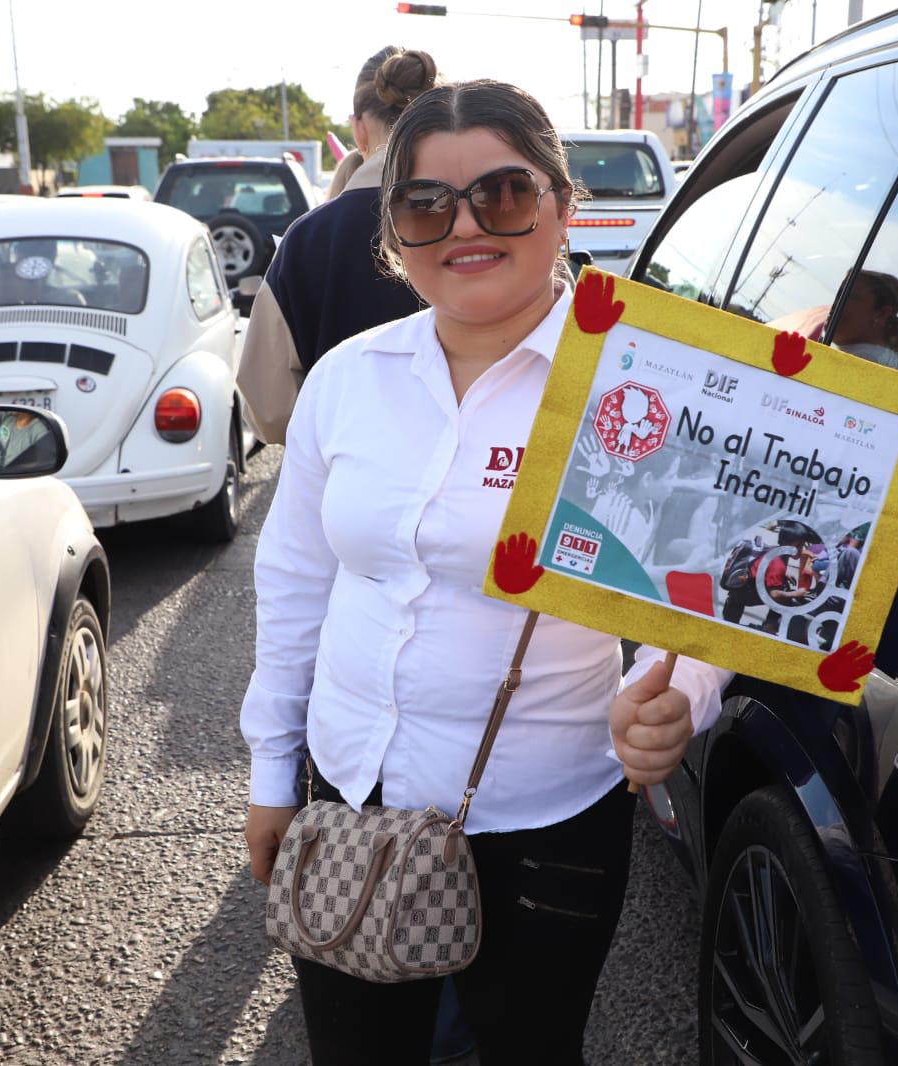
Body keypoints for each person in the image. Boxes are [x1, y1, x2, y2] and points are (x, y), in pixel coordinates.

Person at [239, 79, 731, 1065]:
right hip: (349, 791)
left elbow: (693, 596)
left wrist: (673, 695)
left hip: (544, 817)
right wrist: (270, 771)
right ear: (394, 234)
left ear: (561, 205)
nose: (465, 225)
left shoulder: (637, 383)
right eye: (427, 204)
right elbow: (294, 582)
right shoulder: (349, 378)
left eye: (502, 194)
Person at [236, 46, 438, 444]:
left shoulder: (305, 240)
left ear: (358, 129)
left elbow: (269, 410)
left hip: (343, 483)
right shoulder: (484, 222)